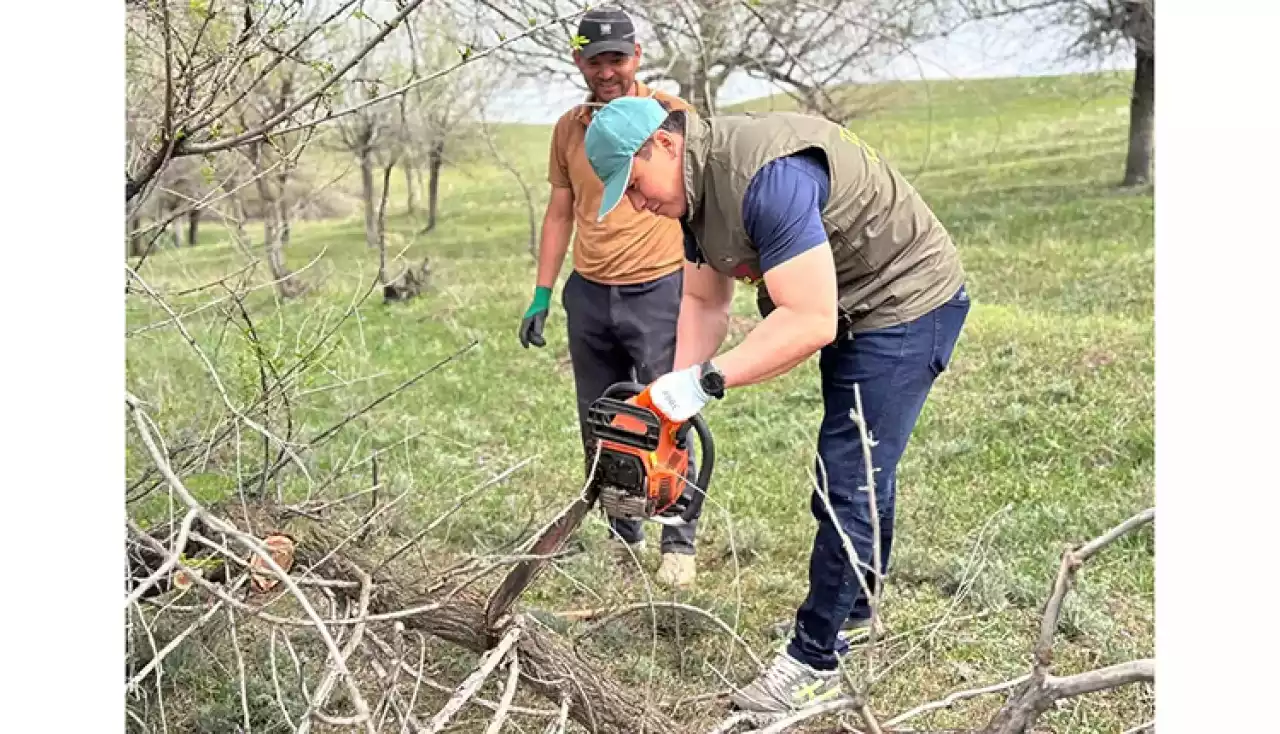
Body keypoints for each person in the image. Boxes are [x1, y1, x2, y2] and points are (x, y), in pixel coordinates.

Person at [584, 96, 971, 712]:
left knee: (848, 482)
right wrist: (672, 396)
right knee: (862, 473)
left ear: (662, 143)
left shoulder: (768, 179)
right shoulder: (697, 192)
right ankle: (855, 617)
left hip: (905, 303)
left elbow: (809, 319)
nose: (636, 203)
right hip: (854, 306)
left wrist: (707, 382)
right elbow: (704, 304)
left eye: (632, 185)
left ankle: (814, 661)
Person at [517, 6, 703, 589]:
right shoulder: (568, 128)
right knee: (602, 421)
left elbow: (701, 199)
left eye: (617, 59)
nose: (607, 71)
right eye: (595, 60)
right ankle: (624, 534)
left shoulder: (671, 118)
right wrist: (543, 293)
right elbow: (559, 211)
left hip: (659, 285)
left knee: (668, 411)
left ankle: (679, 539)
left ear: (636, 57)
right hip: (591, 292)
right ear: (579, 61)